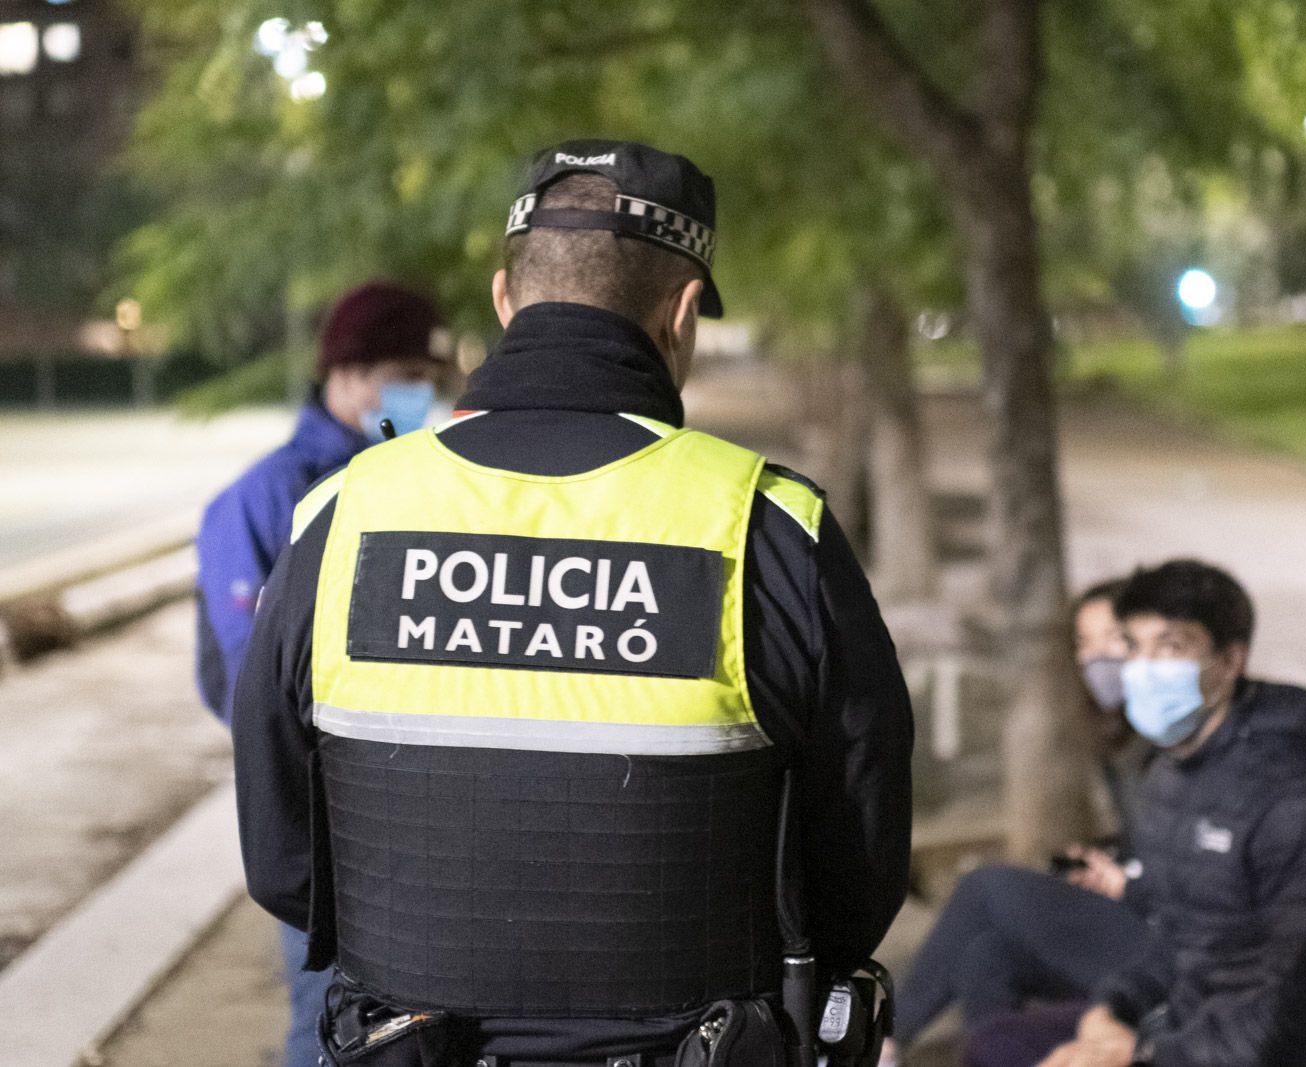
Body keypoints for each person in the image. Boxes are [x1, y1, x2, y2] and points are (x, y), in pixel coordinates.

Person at [230, 140, 913, 1066]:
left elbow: (283, 861)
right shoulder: (768, 523)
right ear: (681, 316)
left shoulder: (345, 511)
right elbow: (859, 869)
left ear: (507, 302)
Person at [1025, 559, 1306, 1067]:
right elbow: (1185, 935)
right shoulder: (1179, 770)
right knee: (1005, 1039)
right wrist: (1114, 1008)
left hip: (1296, 1052)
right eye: (1133, 646)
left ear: (1230, 660)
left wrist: (1144, 1053)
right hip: (1200, 1029)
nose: (1144, 668)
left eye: (1171, 647)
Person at [194, 281, 445, 1067]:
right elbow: (248, 681)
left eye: (429, 372)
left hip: (429, 803)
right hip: (325, 811)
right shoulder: (266, 496)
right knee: (330, 1020)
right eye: (405, 369)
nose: (422, 390)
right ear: (349, 370)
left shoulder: (422, 475)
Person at [888, 579, 1155, 1059]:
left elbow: (1208, 881)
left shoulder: (1177, 744)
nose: (1098, 659)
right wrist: (1111, 862)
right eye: (1084, 644)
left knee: (986, 888)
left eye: (1113, 640)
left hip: (1176, 952)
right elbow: (1152, 847)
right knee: (984, 956)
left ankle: (885, 1043)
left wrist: (1130, 883)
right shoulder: (1123, 740)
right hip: (1139, 917)